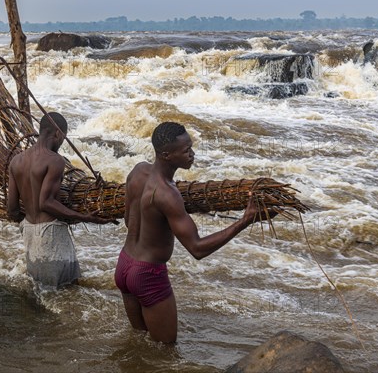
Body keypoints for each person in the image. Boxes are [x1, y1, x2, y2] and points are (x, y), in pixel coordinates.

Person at [114, 122, 278, 343]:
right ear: (166, 154)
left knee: (140, 346)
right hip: (147, 275)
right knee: (165, 354)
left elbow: (128, 220)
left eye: (191, 147)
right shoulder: (167, 194)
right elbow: (197, 249)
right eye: (186, 150)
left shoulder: (137, 172)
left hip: (124, 266)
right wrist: (246, 219)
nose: (192, 154)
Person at [7, 112, 116, 288]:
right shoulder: (55, 160)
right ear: (57, 134)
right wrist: (86, 217)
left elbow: (11, 209)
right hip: (51, 235)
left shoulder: (16, 161)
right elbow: (46, 202)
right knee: (67, 291)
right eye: (63, 137)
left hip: (28, 231)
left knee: (41, 291)